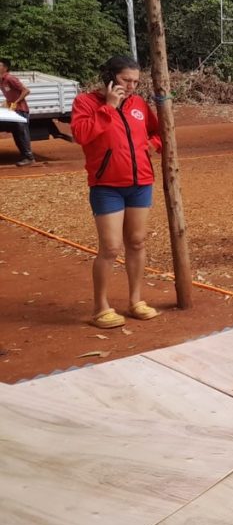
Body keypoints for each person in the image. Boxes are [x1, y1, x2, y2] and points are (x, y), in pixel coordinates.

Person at [70, 55, 163, 328]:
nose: (132, 86)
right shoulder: (86, 102)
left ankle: (136, 301)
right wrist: (109, 107)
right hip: (106, 186)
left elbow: (158, 133)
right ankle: (101, 308)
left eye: (135, 81)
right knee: (110, 247)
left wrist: (154, 145)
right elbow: (81, 135)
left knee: (137, 242)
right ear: (110, 77)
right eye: (126, 80)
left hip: (140, 183)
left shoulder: (138, 104)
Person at [0, 57, 35, 166]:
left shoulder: (10, 78)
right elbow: (10, 93)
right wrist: (7, 102)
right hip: (13, 111)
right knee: (17, 134)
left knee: (21, 134)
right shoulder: (1, 80)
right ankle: (26, 157)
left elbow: (26, 90)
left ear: (5, 68)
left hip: (21, 110)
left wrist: (16, 102)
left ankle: (29, 158)